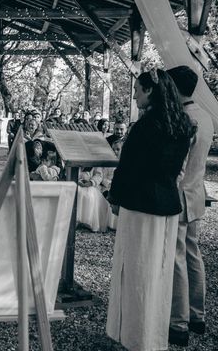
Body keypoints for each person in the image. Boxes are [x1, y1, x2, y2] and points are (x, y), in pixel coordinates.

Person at [106, 68, 195, 351]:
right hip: (167, 205)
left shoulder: (145, 127)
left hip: (141, 206)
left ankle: (135, 335)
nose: (134, 96)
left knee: (136, 269)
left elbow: (128, 168)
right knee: (160, 271)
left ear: (149, 91)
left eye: (137, 90)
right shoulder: (182, 124)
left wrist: (114, 197)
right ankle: (154, 333)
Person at [167, 66, 213, 346]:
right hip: (197, 192)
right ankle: (198, 315)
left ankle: (178, 323)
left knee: (177, 257)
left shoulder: (183, 118)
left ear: (174, 87)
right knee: (194, 256)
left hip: (180, 194)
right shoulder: (206, 117)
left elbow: (178, 166)